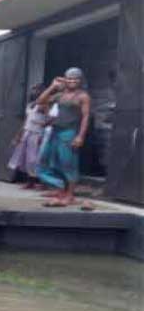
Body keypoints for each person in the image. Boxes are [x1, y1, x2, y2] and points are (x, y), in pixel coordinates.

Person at [36, 68, 91, 207]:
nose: (72, 81)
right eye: (69, 78)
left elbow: (85, 117)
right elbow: (40, 101)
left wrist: (80, 136)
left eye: (75, 78)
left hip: (69, 133)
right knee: (45, 163)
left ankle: (69, 196)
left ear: (80, 80)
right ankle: (60, 189)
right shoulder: (60, 95)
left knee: (68, 165)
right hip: (55, 131)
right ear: (65, 79)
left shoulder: (83, 96)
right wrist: (52, 86)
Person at [7, 84, 48, 189]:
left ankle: (43, 182)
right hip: (27, 132)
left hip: (37, 133)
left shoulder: (44, 105)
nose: (34, 92)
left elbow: (50, 119)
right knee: (27, 158)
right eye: (33, 90)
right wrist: (19, 135)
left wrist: (43, 131)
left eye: (37, 90)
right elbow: (26, 121)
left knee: (36, 158)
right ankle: (31, 181)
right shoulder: (30, 105)